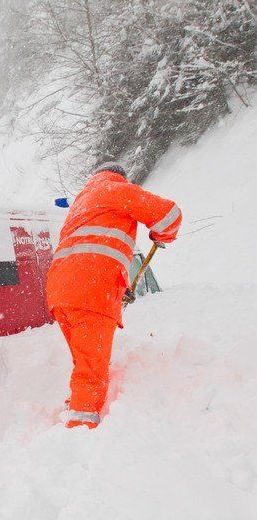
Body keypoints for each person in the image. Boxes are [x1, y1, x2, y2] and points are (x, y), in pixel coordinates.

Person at [46, 162, 182, 429]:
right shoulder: (117, 190)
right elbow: (170, 215)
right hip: (90, 290)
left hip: (60, 290)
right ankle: (80, 428)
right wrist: (161, 234)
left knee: (84, 361)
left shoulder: (82, 203)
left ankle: (75, 408)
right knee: (91, 368)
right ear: (120, 177)